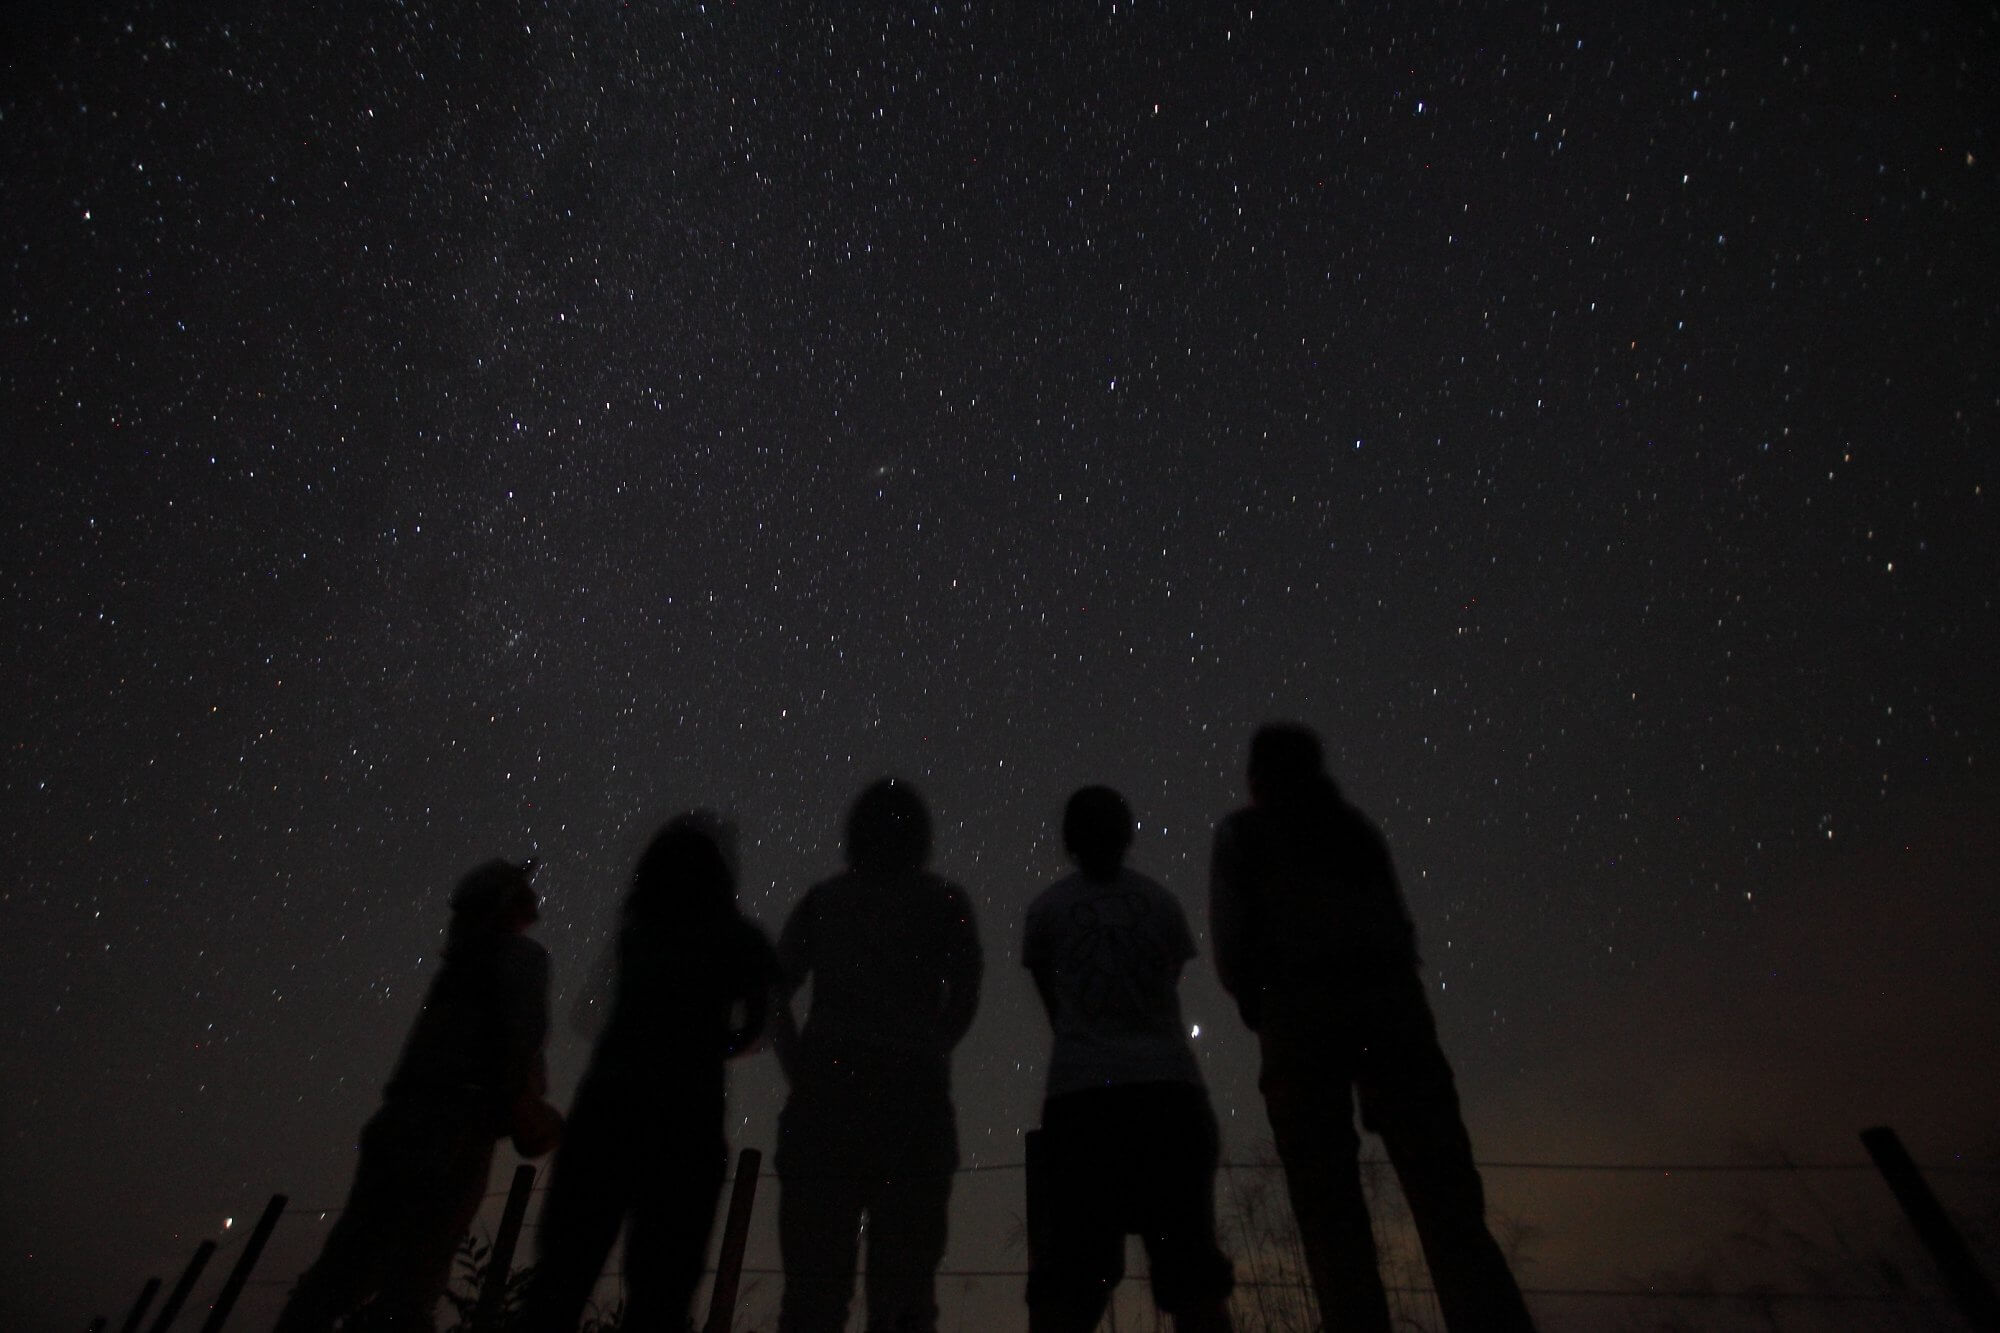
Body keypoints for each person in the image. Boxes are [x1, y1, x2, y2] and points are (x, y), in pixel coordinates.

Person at [1209, 725, 1536, 1332]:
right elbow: (1397, 925)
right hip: (1393, 1014)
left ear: (1257, 777)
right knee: (1448, 1204)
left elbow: (1231, 947)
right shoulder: (1354, 830)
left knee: (1329, 1215)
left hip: (1301, 1021)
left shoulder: (1243, 835)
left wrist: (1263, 1006)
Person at [273, 858, 561, 1333]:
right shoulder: (519, 958)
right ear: (510, 905)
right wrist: (527, 1109)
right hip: (455, 1129)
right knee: (417, 1276)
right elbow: (517, 1043)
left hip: (400, 1122)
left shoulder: (457, 969)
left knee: (345, 1268)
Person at [522, 813, 778, 1333]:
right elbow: (758, 1028)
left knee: (559, 1280)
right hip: (687, 1120)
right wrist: (714, 1045)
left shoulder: (637, 935)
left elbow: (587, 1015)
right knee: (662, 1293)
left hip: (606, 1110)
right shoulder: (740, 940)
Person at [772, 778, 983, 1333]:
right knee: (904, 1298)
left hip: (826, 1104)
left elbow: (774, 991)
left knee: (813, 1298)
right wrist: (929, 1050)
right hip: (911, 1107)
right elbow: (966, 992)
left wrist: (801, 1070)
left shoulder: (824, 902)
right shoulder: (945, 903)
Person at [1022, 786, 1234, 1333]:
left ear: (1069, 839)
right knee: (1191, 1266)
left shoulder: (1046, 911)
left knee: (1071, 1274)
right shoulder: (1160, 903)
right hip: (1168, 1092)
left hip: (1083, 1098)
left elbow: (1053, 1001)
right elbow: (1167, 982)